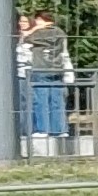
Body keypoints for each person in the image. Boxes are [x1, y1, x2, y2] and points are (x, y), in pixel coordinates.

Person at [22, 9, 73, 141]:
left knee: (41, 100)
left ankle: (43, 129)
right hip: (57, 69)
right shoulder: (59, 32)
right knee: (57, 101)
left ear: (40, 19)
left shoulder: (40, 33)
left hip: (41, 69)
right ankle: (60, 129)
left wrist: (35, 29)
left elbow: (26, 38)